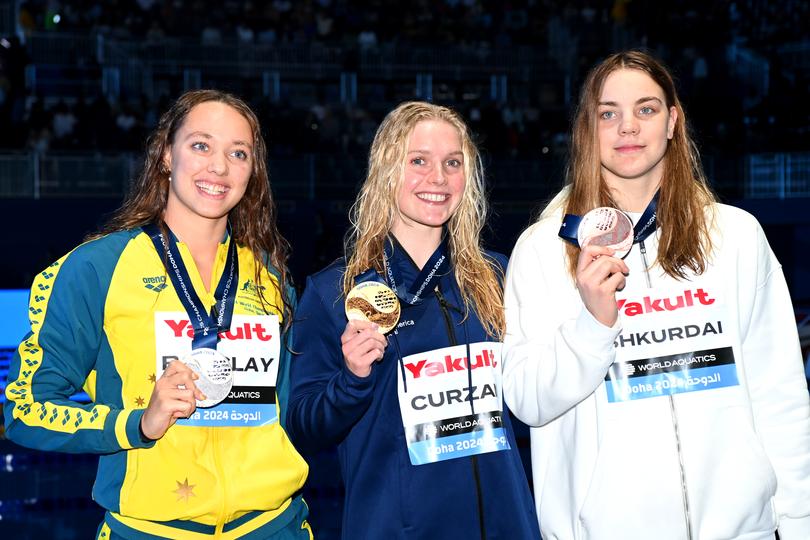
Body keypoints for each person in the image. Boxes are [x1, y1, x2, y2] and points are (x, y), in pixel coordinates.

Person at [502, 50, 810, 539]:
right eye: (609, 113)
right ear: (588, 128)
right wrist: (592, 326)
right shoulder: (543, 250)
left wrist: (797, 524)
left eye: (645, 109)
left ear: (672, 121)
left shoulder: (734, 236)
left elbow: (781, 394)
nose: (628, 127)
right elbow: (526, 400)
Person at [4, 89, 311, 539]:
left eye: (238, 152)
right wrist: (137, 423)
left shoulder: (268, 275)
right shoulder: (96, 269)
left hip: (274, 525)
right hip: (149, 530)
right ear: (166, 155)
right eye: (201, 145)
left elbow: (291, 408)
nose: (219, 167)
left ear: (253, 171)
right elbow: (26, 409)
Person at [286, 101, 540, 539]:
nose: (438, 178)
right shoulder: (334, 291)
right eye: (418, 161)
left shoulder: (497, 275)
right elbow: (302, 425)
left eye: (452, 163)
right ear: (387, 170)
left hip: (504, 524)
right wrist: (352, 379)